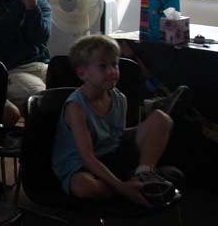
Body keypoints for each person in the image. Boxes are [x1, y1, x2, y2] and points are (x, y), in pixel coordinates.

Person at [52, 35, 174, 208]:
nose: (112, 71)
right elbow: (87, 158)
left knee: (161, 118)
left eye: (114, 65)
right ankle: (128, 188)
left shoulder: (119, 98)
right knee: (83, 186)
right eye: (103, 66)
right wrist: (122, 187)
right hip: (83, 164)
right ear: (82, 73)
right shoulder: (76, 108)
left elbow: (116, 135)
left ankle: (143, 174)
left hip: (112, 154)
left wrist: (145, 130)